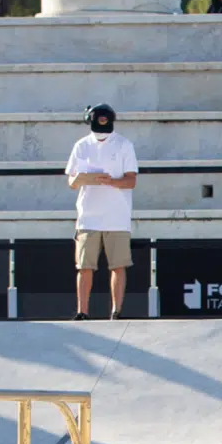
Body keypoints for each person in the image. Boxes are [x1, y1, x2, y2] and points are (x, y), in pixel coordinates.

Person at [65, 104, 139, 321]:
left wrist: (112, 182)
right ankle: (82, 311)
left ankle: (116, 311)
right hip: (88, 215)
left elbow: (131, 180)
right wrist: (81, 179)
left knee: (118, 265)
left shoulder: (124, 145)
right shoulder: (81, 146)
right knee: (84, 266)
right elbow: (71, 180)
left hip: (117, 217)